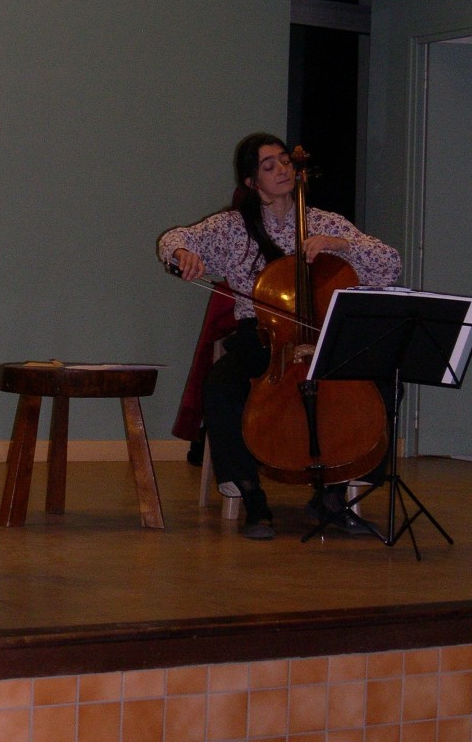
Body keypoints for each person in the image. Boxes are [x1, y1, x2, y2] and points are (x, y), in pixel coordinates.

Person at [158, 132, 401, 540]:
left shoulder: (324, 222)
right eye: (268, 166)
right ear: (252, 182)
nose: (282, 170)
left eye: (285, 161)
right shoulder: (233, 227)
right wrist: (183, 254)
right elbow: (175, 239)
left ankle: (334, 496)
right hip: (263, 336)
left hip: (323, 334)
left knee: (384, 381)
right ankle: (252, 497)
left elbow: (389, 264)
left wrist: (341, 244)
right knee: (221, 385)